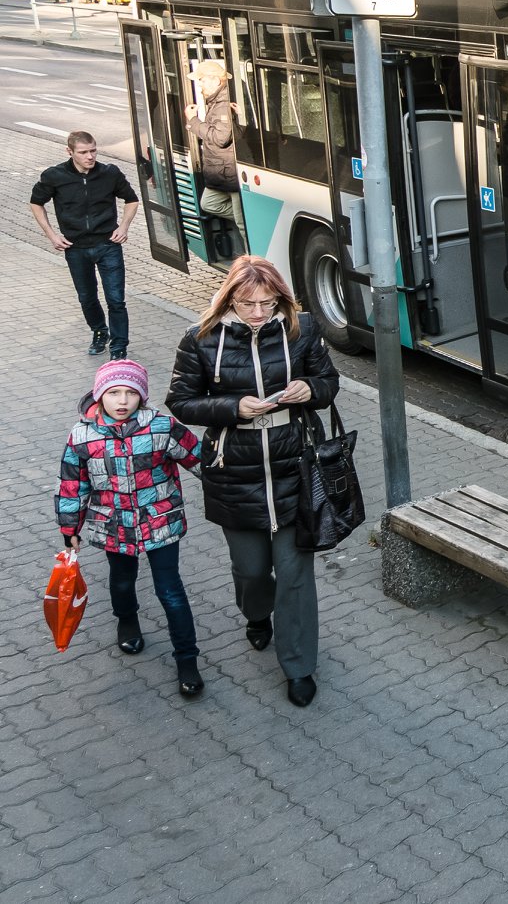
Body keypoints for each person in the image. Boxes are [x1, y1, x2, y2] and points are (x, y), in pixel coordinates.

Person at [167, 256, 340, 708]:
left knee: (295, 575)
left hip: (294, 467)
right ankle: (257, 613)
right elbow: (181, 401)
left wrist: (311, 389)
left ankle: (299, 666)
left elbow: (328, 382)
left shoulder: (302, 328)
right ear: (230, 300)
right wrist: (232, 407)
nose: (260, 313)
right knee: (250, 570)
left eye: (268, 303)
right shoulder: (200, 338)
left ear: (281, 298)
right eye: (248, 304)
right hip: (234, 473)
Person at [56, 359, 206, 697]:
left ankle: (187, 659)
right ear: (99, 395)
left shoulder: (162, 427)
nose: (122, 401)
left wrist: (236, 489)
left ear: (142, 396)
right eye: (114, 393)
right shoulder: (82, 435)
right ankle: (127, 619)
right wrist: (70, 527)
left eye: (131, 393)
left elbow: (201, 461)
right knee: (122, 579)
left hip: (160, 522)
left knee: (170, 591)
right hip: (113, 526)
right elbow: (72, 485)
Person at [30, 130, 139, 360]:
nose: (90, 156)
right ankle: (99, 331)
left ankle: (119, 346)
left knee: (116, 299)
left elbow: (131, 199)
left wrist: (124, 227)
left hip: (108, 245)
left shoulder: (109, 173)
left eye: (93, 151)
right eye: (83, 152)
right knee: (87, 297)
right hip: (75, 248)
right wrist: (51, 235)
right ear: (69, 152)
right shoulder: (54, 176)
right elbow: (36, 203)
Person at [180, 59, 246, 254]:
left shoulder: (223, 104)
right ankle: (251, 219)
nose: (199, 85)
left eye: (201, 80)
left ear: (216, 81)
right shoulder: (217, 100)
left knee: (242, 225)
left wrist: (193, 121)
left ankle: (254, 264)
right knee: (208, 203)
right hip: (222, 173)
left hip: (229, 172)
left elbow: (221, 138)